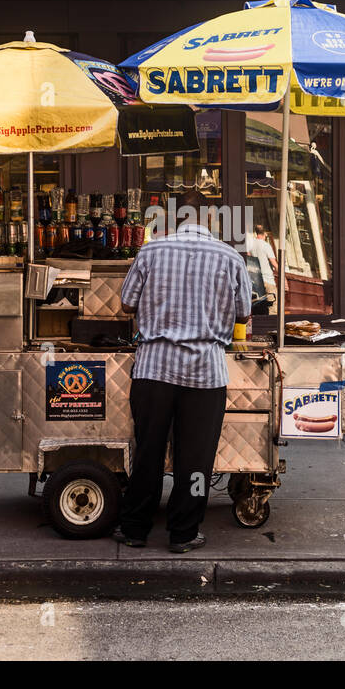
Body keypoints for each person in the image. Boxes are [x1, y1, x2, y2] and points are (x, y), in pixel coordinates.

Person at [117, 189, 252, 552]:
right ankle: (183, 532)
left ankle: (134, 529)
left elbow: (126, 303)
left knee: (147, 451)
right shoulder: (229, 257)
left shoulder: (150, 251)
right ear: (210, 219)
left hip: (153, 369)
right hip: (205, 374)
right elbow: (244, 314)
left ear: (174, 217)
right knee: (195, 458)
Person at [245, 223, 278, 314]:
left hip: (255, 280)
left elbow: (248, 256)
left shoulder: (250, 243)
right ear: (265, 234)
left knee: (257, 305)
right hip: (267, 279)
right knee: (273, 305)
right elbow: (273, 263)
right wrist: (283, 276)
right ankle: (272, 325)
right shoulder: (266, 245)